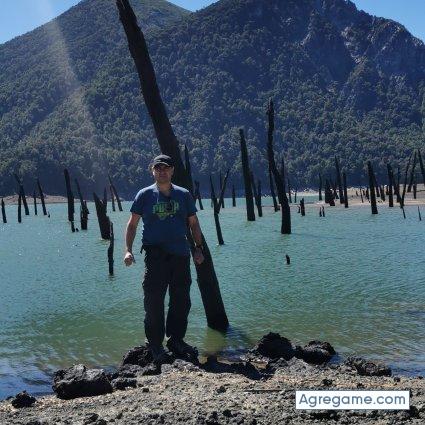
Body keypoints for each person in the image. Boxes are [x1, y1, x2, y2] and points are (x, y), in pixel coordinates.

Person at [124, 154, 205, 363]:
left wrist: (198, 248)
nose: (162, 171)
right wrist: (128, 250)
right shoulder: (144, 195)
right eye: (158, 168)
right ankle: (155, 344)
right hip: (155, 257)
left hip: (180, 255)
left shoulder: (183, 195)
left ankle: (176, 340)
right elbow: (132, 224)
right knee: (153, 301)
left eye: (166, 168)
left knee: (181, 301)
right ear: (152, 171)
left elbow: (194, 223)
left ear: (172, 171)